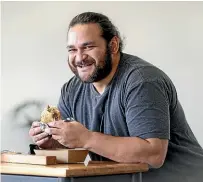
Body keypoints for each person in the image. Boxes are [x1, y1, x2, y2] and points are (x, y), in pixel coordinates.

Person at [29, 12, 203, 181]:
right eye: (72, 49)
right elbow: (76, 148)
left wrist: (86, 138)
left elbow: (153, 154)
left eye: (88, 47)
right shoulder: (71, 89)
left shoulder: (142, 81)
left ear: (113, 45)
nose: (79, 57)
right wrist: (52, 144)